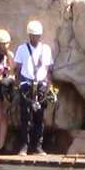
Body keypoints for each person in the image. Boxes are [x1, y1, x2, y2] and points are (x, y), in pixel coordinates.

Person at [13, 20, 54, 155]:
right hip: (26, 85)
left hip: (41, 85)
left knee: (39, 117)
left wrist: (48, 86)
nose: (35, 38)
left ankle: (37, 146)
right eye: (33, 35)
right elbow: (17, 69)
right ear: (29, 35)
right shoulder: (22, 49)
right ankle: (24, 146)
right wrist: (19, 84)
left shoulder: (46, 49)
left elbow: (48, 70)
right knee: (25, 117)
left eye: (37, 35)